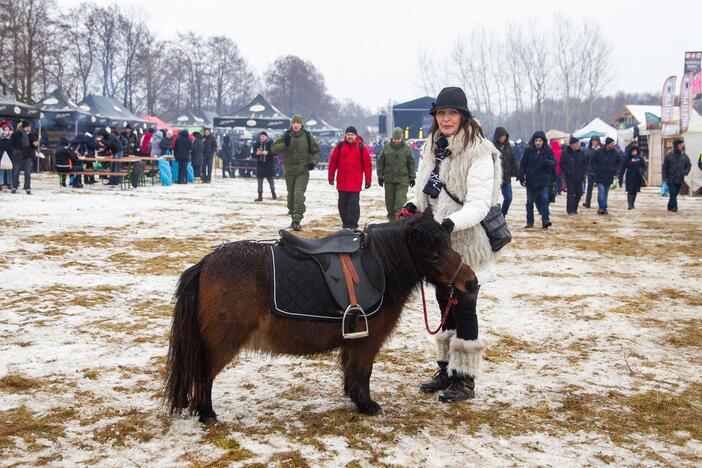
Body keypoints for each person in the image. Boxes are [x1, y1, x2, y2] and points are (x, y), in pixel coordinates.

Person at [399, 86, 502, 403]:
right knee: (445, 307)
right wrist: (411, 207)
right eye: (441, 113)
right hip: (438, 246)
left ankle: (465, 379)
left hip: (467, 244)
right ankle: (446, 370)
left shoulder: (480, 151)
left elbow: (480, 203)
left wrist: (449, 224)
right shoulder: (432, 146)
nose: (446, 119)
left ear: (464, 116)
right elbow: (420, 188)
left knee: (464, 310)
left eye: (452, 113)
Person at [271, 114, 321, 231]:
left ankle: (296, 220)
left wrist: (313, 162)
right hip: (289, 170)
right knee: (291, 196)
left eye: (298, 123)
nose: (296, 125)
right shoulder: (286, 134)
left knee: (298, 194)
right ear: (292, 124)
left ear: (301, 124)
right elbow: (273, 148)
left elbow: (316, 152)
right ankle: (293, 217)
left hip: (302, 170)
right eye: (294, 123)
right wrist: (285, 144)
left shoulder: (308, 136)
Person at [328, 126, 372, 229]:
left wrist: (368, 180)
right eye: (348, 134)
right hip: (342, 182)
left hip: (355, 183)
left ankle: (352, 225)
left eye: (352, 135)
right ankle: (345, 223)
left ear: (355, 136)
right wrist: (331, 177)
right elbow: (333, 162)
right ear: (345, 135)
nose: (350, 136)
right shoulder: (339, 146)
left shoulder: (361, 147)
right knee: (342, 205)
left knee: (353, 205)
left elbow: (367, 165)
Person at [518, 131, 556, 229]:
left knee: (544, 199)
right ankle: (530, 222)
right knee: (529, 202)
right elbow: (523, 164)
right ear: (533, 141)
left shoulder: (548, 151)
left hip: (544, 180)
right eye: (536, 140)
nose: (538, 142)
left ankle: (545, 220)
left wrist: (546, 162)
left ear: (543, 141)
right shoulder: (528, 151)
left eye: (540, 140)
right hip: (531, 180)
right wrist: (521, 175)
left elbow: (554, 163)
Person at [377, 127, 415, 221]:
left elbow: (411, 163)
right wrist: (380, 176)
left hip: (402, 180)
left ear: (402, 138)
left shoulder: (406, 149)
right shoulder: (386, 149)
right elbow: (381, 163)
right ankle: (391, 222)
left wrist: (412, 177)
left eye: (398, 139)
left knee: (399, 203)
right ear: (392, 138)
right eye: (395, 139)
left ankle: (398, 223)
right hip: (389, 180)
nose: (397, 141)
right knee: (390, 204)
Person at [492, 127, 518, 216]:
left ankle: (503, 215)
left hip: (506, 177)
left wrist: (517, 171)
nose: (504, 137)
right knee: (492, 199)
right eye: (502, 136)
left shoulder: (508, 147)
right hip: (495, 177)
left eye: (505, 136)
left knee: (509, 198)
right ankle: (491, 217)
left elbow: (513, 160)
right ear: (498, 136)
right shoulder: (492, 147)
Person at [592, 137, 620, 215]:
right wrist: (596, 169)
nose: (613, 145)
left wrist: (615, 170)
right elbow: (593, 161)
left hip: (609, 176)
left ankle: (603, 207)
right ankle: (602, 207)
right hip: (599, 176)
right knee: (601, 191)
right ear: (607, 144)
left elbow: (619, 162)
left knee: (605, 193)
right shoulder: (599, 152)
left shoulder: (615, 153)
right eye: (611, 144)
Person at [662, 139, 691, 212]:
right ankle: (675, 207)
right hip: (670, 178)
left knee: (674, 193)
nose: (682, 146)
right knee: (673, 191)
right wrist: (665, 178)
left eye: (682, 145)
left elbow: (688, 165)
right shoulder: (669, 156)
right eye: (680, 145)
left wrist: (685, 172)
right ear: (676, 146)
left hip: (680, 178)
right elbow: (664, 167)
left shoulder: (684, 156)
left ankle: (670, 206)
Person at [560, 136, 587, 214]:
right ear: (572, 144)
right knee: (570, 193)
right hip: (570, 177)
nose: (578, 145)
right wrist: (568, 172)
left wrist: (583, 173)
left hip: (579, 176)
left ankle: (575, 208)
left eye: (578, 143)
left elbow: (585, 163)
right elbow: (562, 164)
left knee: (578, 193)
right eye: (576, 143)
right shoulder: (565, 153)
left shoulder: (581, 153)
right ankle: (570, 210)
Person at [10, 121, 38, 194]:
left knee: (27, 172)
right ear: (24, 127)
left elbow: (34, 144)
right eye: (27, 127)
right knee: (16, 172)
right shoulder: (16, 134)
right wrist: (14, 151)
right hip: (17, 155)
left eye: (29, 127)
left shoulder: (31, 134)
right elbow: (11, 143)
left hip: (27, 155)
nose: (29, 128)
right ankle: (14, 187)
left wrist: (35, 144)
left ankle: (27, 188)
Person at [618, 145, 646, 210]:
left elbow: (644, 166)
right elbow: (622, 168)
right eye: (633, 151)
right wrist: (620, 178)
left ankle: (632, 203)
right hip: (629, 176)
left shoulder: (639, 158)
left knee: (635, 191)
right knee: (630, 191)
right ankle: (630, 204)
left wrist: (642, 171)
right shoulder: (627, 158)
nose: (634, 152)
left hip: (637, 177)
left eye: (635, 151)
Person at [252, 131, 276, 201]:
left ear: (266, 137)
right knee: (259, 181)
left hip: (269, 165)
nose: (262, 138)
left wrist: (268, 152)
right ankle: (260, 196)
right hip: (260, 165)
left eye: (263, 136)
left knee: (270, 180)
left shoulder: (271, 143)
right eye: (261, 137)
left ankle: (273, 193)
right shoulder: (256, 144)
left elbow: (275, 152)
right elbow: (252, 154)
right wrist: (257, 153)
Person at [582, 136, 601, 208]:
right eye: (593, 141)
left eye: (596, 141)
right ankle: (588, 202)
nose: (594, 142)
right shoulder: (589, 150)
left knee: (600, 189)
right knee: (589, 188)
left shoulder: (601, 149)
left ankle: (601, 204)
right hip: (590, 171)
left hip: (599, 172)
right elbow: (586, 160)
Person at [0, 122, 13, 190]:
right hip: (1, 155)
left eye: (8, 129)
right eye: (5, 129)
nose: (6, 131)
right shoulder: (0, 137)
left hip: (9, 155)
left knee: (9, 170)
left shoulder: (11, 137)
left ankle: (9, 183)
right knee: (1, 170)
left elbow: (12, 147)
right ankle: (0, 184)